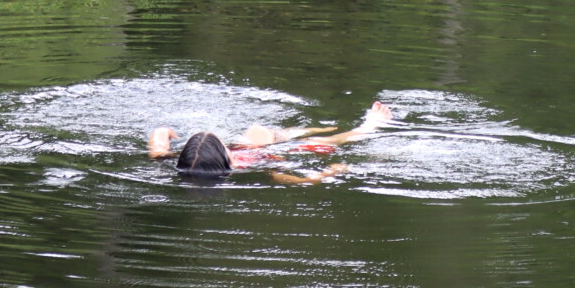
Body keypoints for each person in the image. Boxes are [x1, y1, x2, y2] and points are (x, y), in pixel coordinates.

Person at [148, 101, 394, 184]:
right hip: (265, 147)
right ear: (229, 158)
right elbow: (305, 181)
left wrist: (166, 132)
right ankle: (370, 125)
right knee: (323, 141)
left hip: (262, 144)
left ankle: (300, 131)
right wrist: (332, 170)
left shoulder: (172, 161)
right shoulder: (246, 163)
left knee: (265, 134)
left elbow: (159, 138)